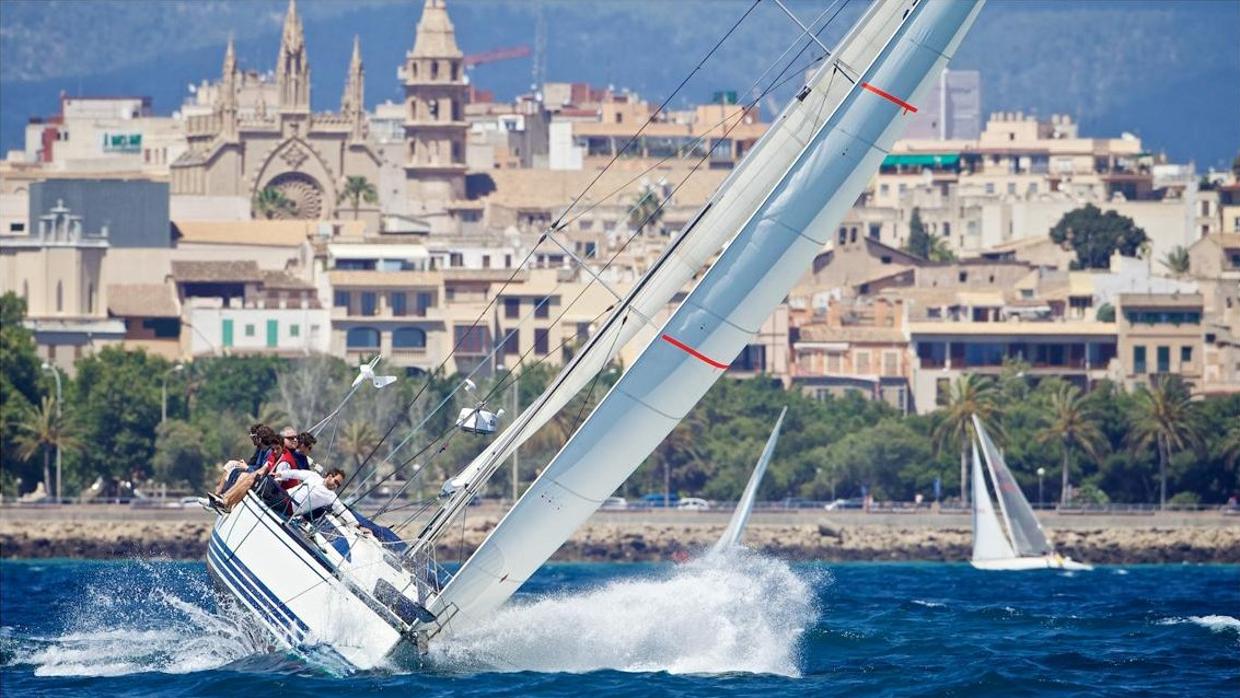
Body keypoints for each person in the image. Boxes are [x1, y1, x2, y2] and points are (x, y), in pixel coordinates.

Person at [275, 467, 361, 528]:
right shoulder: (314, 476)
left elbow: (342, 510)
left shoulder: (330, 496)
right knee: (267, 483)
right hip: (283, 495)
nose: (336, 486)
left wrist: (357, 525)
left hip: (288, 508)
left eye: (338, 485)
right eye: (336, 482)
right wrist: (280, 474)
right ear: (330, 476)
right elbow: (296, 473)